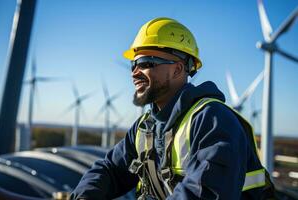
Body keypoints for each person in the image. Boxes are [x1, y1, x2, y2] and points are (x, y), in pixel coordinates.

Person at [71, 17, 275, 200]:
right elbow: (110, 170)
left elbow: (204, 192)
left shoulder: (213, 120)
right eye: (133, 64)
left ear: (177, 69)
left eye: (144, 62)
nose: (134, 72)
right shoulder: (145, 127)